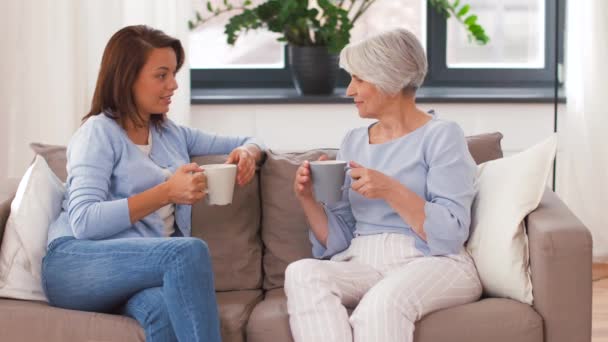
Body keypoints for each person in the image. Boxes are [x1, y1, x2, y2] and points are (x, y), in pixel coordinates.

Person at [41, 25, 264, 342]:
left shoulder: (172, 134)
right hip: (76, 265)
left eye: (173, 73)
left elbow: (250, 139)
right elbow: (84, 222)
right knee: (184, 253)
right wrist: (166, 193)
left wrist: (247, 153)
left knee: (162, 310)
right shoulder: (98, 133)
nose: (173, 85)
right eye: (161, 75)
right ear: (127, 77)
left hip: (138, 274)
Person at [285, 28, 482, 342]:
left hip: (431, 261)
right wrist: (308, 198)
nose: (349, 90)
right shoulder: (352, 141)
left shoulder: (442, 135)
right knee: (302, 273)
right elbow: (340, 240)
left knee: (381, 305)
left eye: (358, 79)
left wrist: (390, 189)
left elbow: (450, 234)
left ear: (389, 80)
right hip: (362, 259)